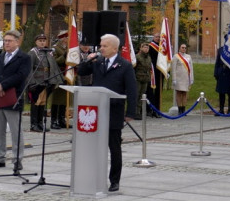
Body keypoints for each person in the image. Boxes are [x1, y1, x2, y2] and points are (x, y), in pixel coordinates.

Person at [75, 33, 138, 192]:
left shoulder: (125, 65)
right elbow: (81, 71)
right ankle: (93, 177)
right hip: (96, 110)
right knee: (94, 146)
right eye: (101, 45)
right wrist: (87, 60)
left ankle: (114, 180)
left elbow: (132, 90)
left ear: (115, 48)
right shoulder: (97, 62)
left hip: (114, 111)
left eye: (104, 46)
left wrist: (130, 112)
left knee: (114, 147)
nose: (101, 48)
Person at [0, 29, 31, 170]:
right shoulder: (0, 57)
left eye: (9, 41)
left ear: (17, 42)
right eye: (5, 41)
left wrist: (2, 85)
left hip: (13, 98)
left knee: (16, 131)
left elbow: (21, 75)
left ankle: (17, 160)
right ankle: (0, 157)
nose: (6, 43)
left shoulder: (24, 58)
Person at [28, 33, 63, 132]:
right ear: (36, 42)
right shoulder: (33, 53)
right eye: (40, 41)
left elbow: (53, 67)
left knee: (42, 102)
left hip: (47, 81)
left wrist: (55, 80)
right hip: (37, 82)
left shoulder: (48, 52)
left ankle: (40, 123)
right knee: (36, 102)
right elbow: (29, 69)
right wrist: (31, 82)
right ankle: (34, 124)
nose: (42, 43)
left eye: (44, 41)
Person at [214, 39, 230, 114]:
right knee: (221, 93)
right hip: (222, 73)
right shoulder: (221, 49)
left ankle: (229, 109)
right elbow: (217, 62)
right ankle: (221, 109)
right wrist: (216, 73)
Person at [173, 43, 194, 113]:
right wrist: (174, 79)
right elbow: (173, 68)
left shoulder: (188, 56)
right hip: (178, 78)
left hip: (186, 78)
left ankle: (183, 109)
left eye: (185, 48)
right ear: (179, 48)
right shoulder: (176, 56)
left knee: (185, 93)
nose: (184, 49)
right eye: (182, 47)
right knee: (179, 93)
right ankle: (179, 109)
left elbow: (191, 68)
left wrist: (191, 78)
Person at [135, 42, 153, 117]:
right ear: (141, 48)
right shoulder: (137, 57)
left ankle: (138, 111)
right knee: (136, 95)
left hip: (145, 79)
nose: (146, 49)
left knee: (142, 96)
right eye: (144, 47)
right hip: (138, 78)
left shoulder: (148, 57)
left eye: (147, 48)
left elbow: (149, 68)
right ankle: (134, 111)